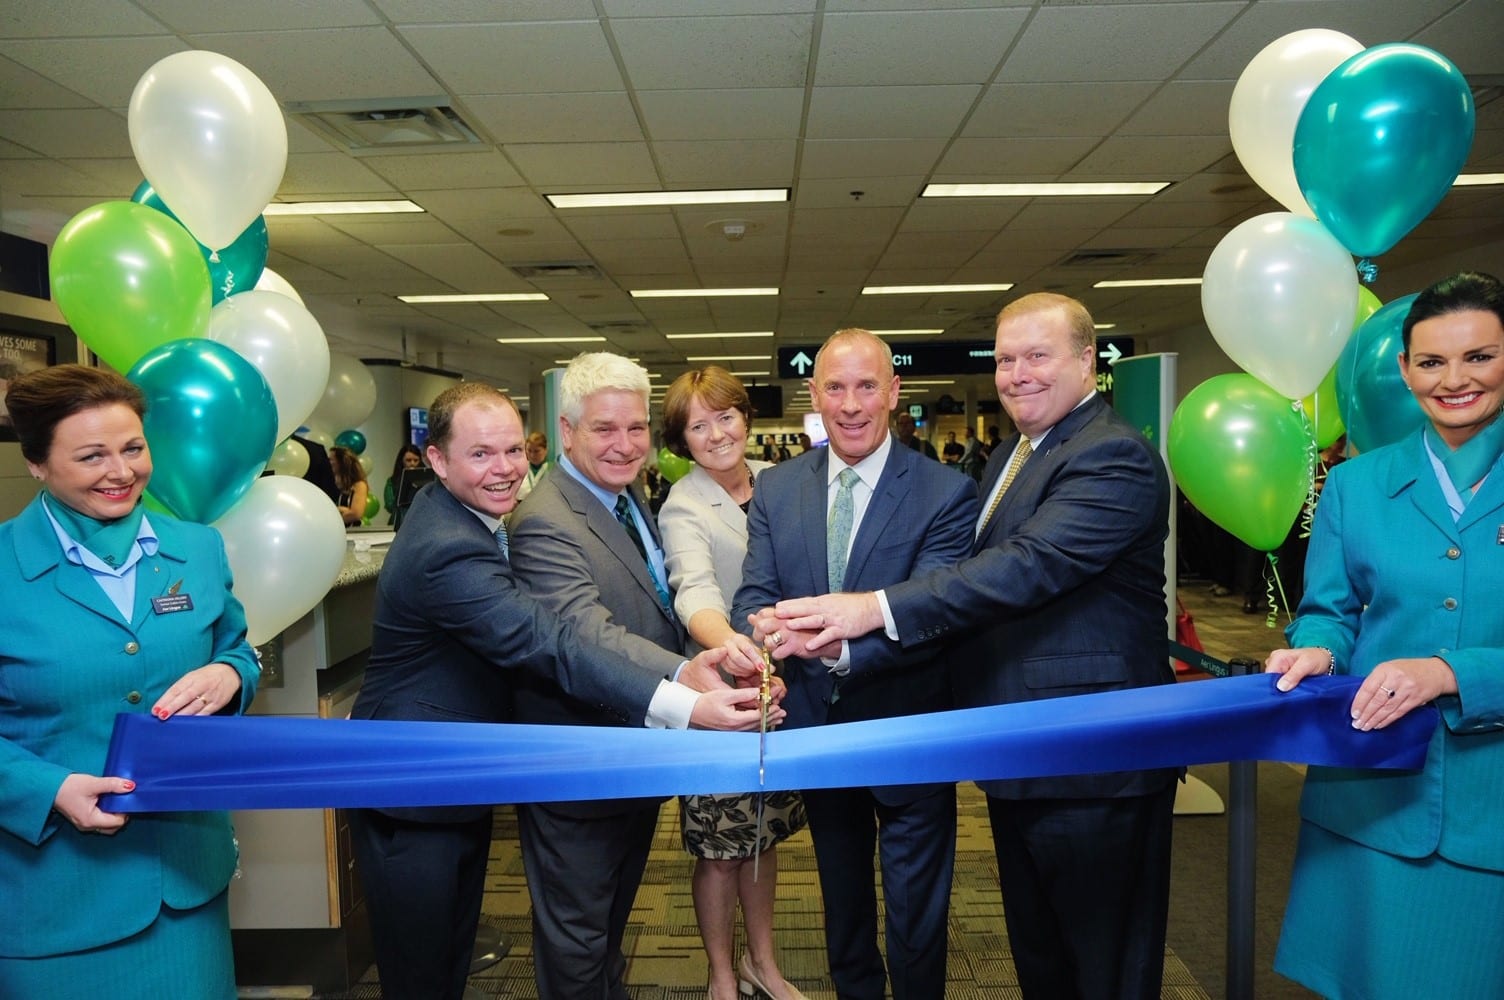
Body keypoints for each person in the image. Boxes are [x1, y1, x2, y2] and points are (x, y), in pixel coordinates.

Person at [766, 294, 1178, 1000]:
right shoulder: (1019, 456)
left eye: (1038, 356)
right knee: (1045, 958)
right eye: (1007, 359)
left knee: (1102, 962)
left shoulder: (1111, 454)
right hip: (1019, 748)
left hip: (1091, 757)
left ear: (1088, 363)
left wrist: (873, 608)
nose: (1017, 374)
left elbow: (1025, 569)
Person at [348, 381, 769, 1000]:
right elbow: (552, 641)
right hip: (409, 787)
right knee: (422, 973)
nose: (507, 469)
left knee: (451, 958)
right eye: (482, 454)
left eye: (514, 451)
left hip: (456, 777)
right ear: (436, 460)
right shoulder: (447, 548)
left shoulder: (475, 517)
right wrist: (684, 693)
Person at [1264, 271, 1504, 1000]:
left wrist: (1450, 672)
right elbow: (1330, 609)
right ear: (1404, 370)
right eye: (1431, 362)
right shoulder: (1354, 487)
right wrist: (1319, 648)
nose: (1454, 379)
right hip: (1374, 799)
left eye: (1480, 357)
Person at [508, 352, 769, 999]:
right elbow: (585, 635)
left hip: (629, 750)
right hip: (581, 767)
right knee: (578, 940)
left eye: (636, 429)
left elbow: (651, 605)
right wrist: (688, 676)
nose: (625, 446)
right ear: (566, 431)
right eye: (604, 429)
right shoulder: (546, 517)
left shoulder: (623, 500)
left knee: (605, 933)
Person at [0, 365, 261, 1000]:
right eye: (92, 456)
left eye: (134, 449)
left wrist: (230, 674)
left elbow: (237, 650)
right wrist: (49, 787)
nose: (121, 472)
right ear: (36, 463)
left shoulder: (197, 549)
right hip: (54, 894)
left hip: (185, 882)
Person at [732, 329, 979, 1000]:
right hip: (818, 729)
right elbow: (753, 594)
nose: (850, 404)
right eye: (834, 388)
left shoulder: (945, 493)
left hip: (910, 730)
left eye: (867, 386)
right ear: (813, 396)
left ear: (895, 393)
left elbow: (937, 613)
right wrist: (762, 628)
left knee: (916, 915)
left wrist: (839, 649)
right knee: (842, 907)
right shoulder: (778, 489)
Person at [658, 367, 808, 1000]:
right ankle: (722, 972)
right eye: (699, 424)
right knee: (718, 847)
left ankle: (763, 963)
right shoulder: (685, 504)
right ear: (681, 440)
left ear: (746, 418)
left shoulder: (781, 486)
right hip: (720, 692)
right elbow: (692, 593)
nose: (717, 433)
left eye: (725, 417)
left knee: (760, 835)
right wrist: (735, 647)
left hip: (780, 686)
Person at [382, 443, 424, 527]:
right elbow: (389, 506)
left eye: (416, 460)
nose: (412, 463)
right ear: (401, 461)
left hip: (421, 522)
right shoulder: (392, 481)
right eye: (408, 460)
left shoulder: (427, 480)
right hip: (398, 522)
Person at [329, 444, 369, 527]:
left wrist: (335, 514)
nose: (329, 462)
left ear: (341, 462)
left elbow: (356, 514)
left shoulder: (359, 485)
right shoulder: (330, 482)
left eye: (331, 459)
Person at [515, 430, 550, 505]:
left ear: (545, 450)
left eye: (536, 451)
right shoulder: (520, 469)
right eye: (529, 450)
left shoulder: (553, 469)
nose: (532, 455)